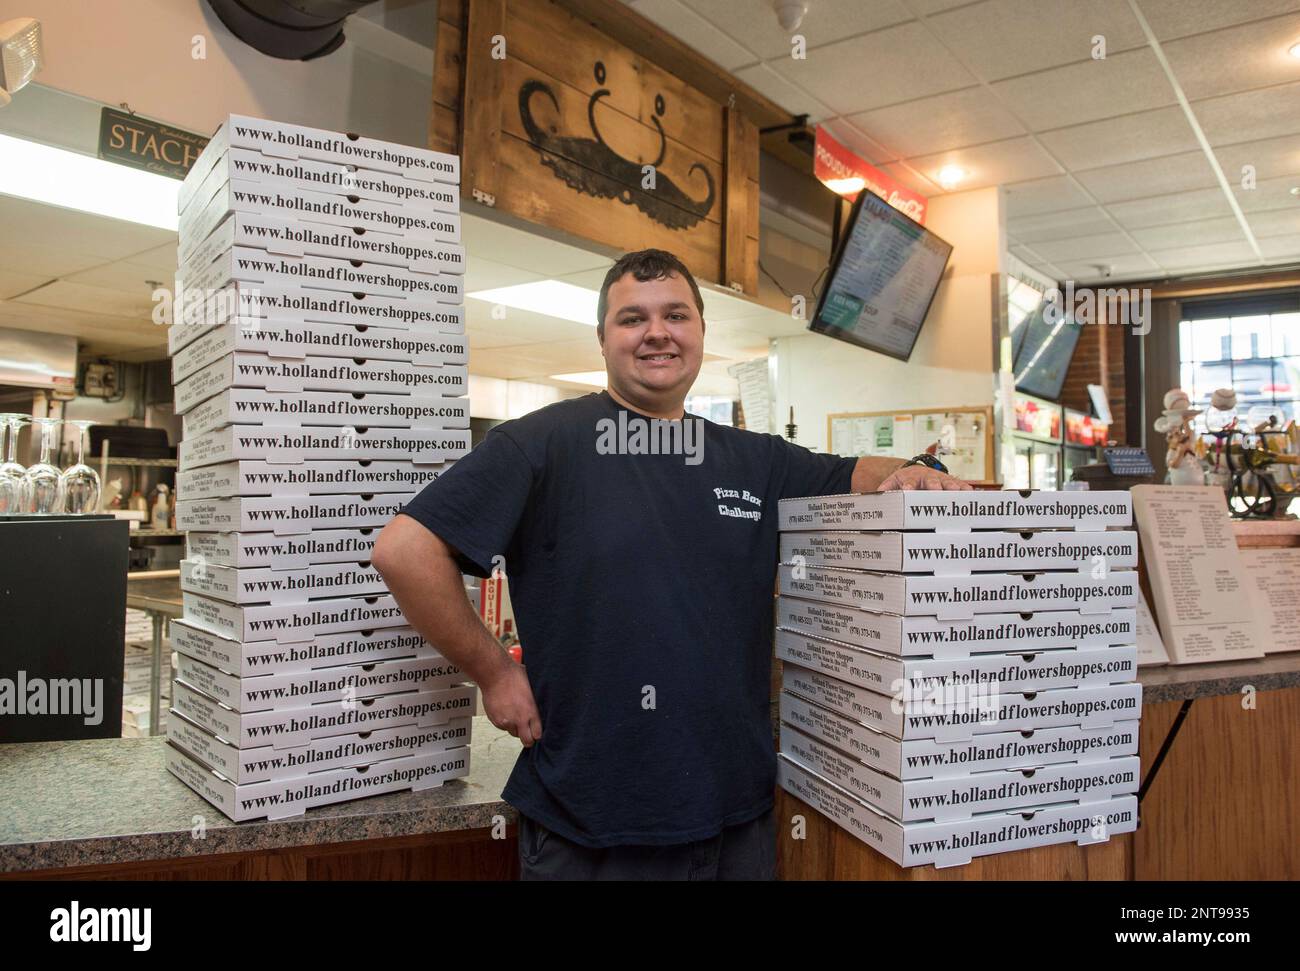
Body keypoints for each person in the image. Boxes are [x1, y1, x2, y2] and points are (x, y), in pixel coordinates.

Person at [372, 248, 969, 880]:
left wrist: (916, 472)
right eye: (633, 318)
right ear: (603, 339)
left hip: (737, 821)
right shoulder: (541, 444)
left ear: (701, 333)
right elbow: (405, 551)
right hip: (593, 825)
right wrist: (493, 671)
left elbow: (857, 476)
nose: (657, 332)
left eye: (676, 315)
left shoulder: (753, 459)